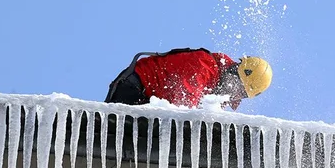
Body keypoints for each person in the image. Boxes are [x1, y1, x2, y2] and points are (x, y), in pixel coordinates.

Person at [104, 47, 272, 110]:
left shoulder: (218, 91)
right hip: (133, 89)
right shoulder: (204, 65)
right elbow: (183, 106)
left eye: (241, 93)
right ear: (234, 71)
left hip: (147, 98)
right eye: (237, 86)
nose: (234, 93)